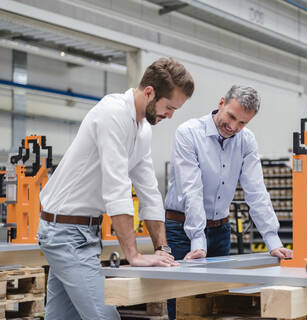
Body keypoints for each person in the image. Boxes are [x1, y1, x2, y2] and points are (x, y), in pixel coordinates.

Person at [37, 58, 194, 320]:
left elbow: (149, 191)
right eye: (169, 107)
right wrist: (132, 255)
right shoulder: (112, 114)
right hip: (64, 233)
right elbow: (117, 188)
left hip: (83, 233)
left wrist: (162, 249)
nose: (170, 115)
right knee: (106, 316)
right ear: (149, 92)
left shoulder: (141, 129)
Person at [164, 85, 293, 319]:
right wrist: (197, 240)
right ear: (221, 102)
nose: (233, 127)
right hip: (182, 231)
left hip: (220, 231)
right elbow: (192, 190)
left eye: (242, 123)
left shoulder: (246, 141)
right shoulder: (188, 133)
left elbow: (256, 191)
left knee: (216, 305)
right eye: (231, 116)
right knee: (183, 306)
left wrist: (272, 240)